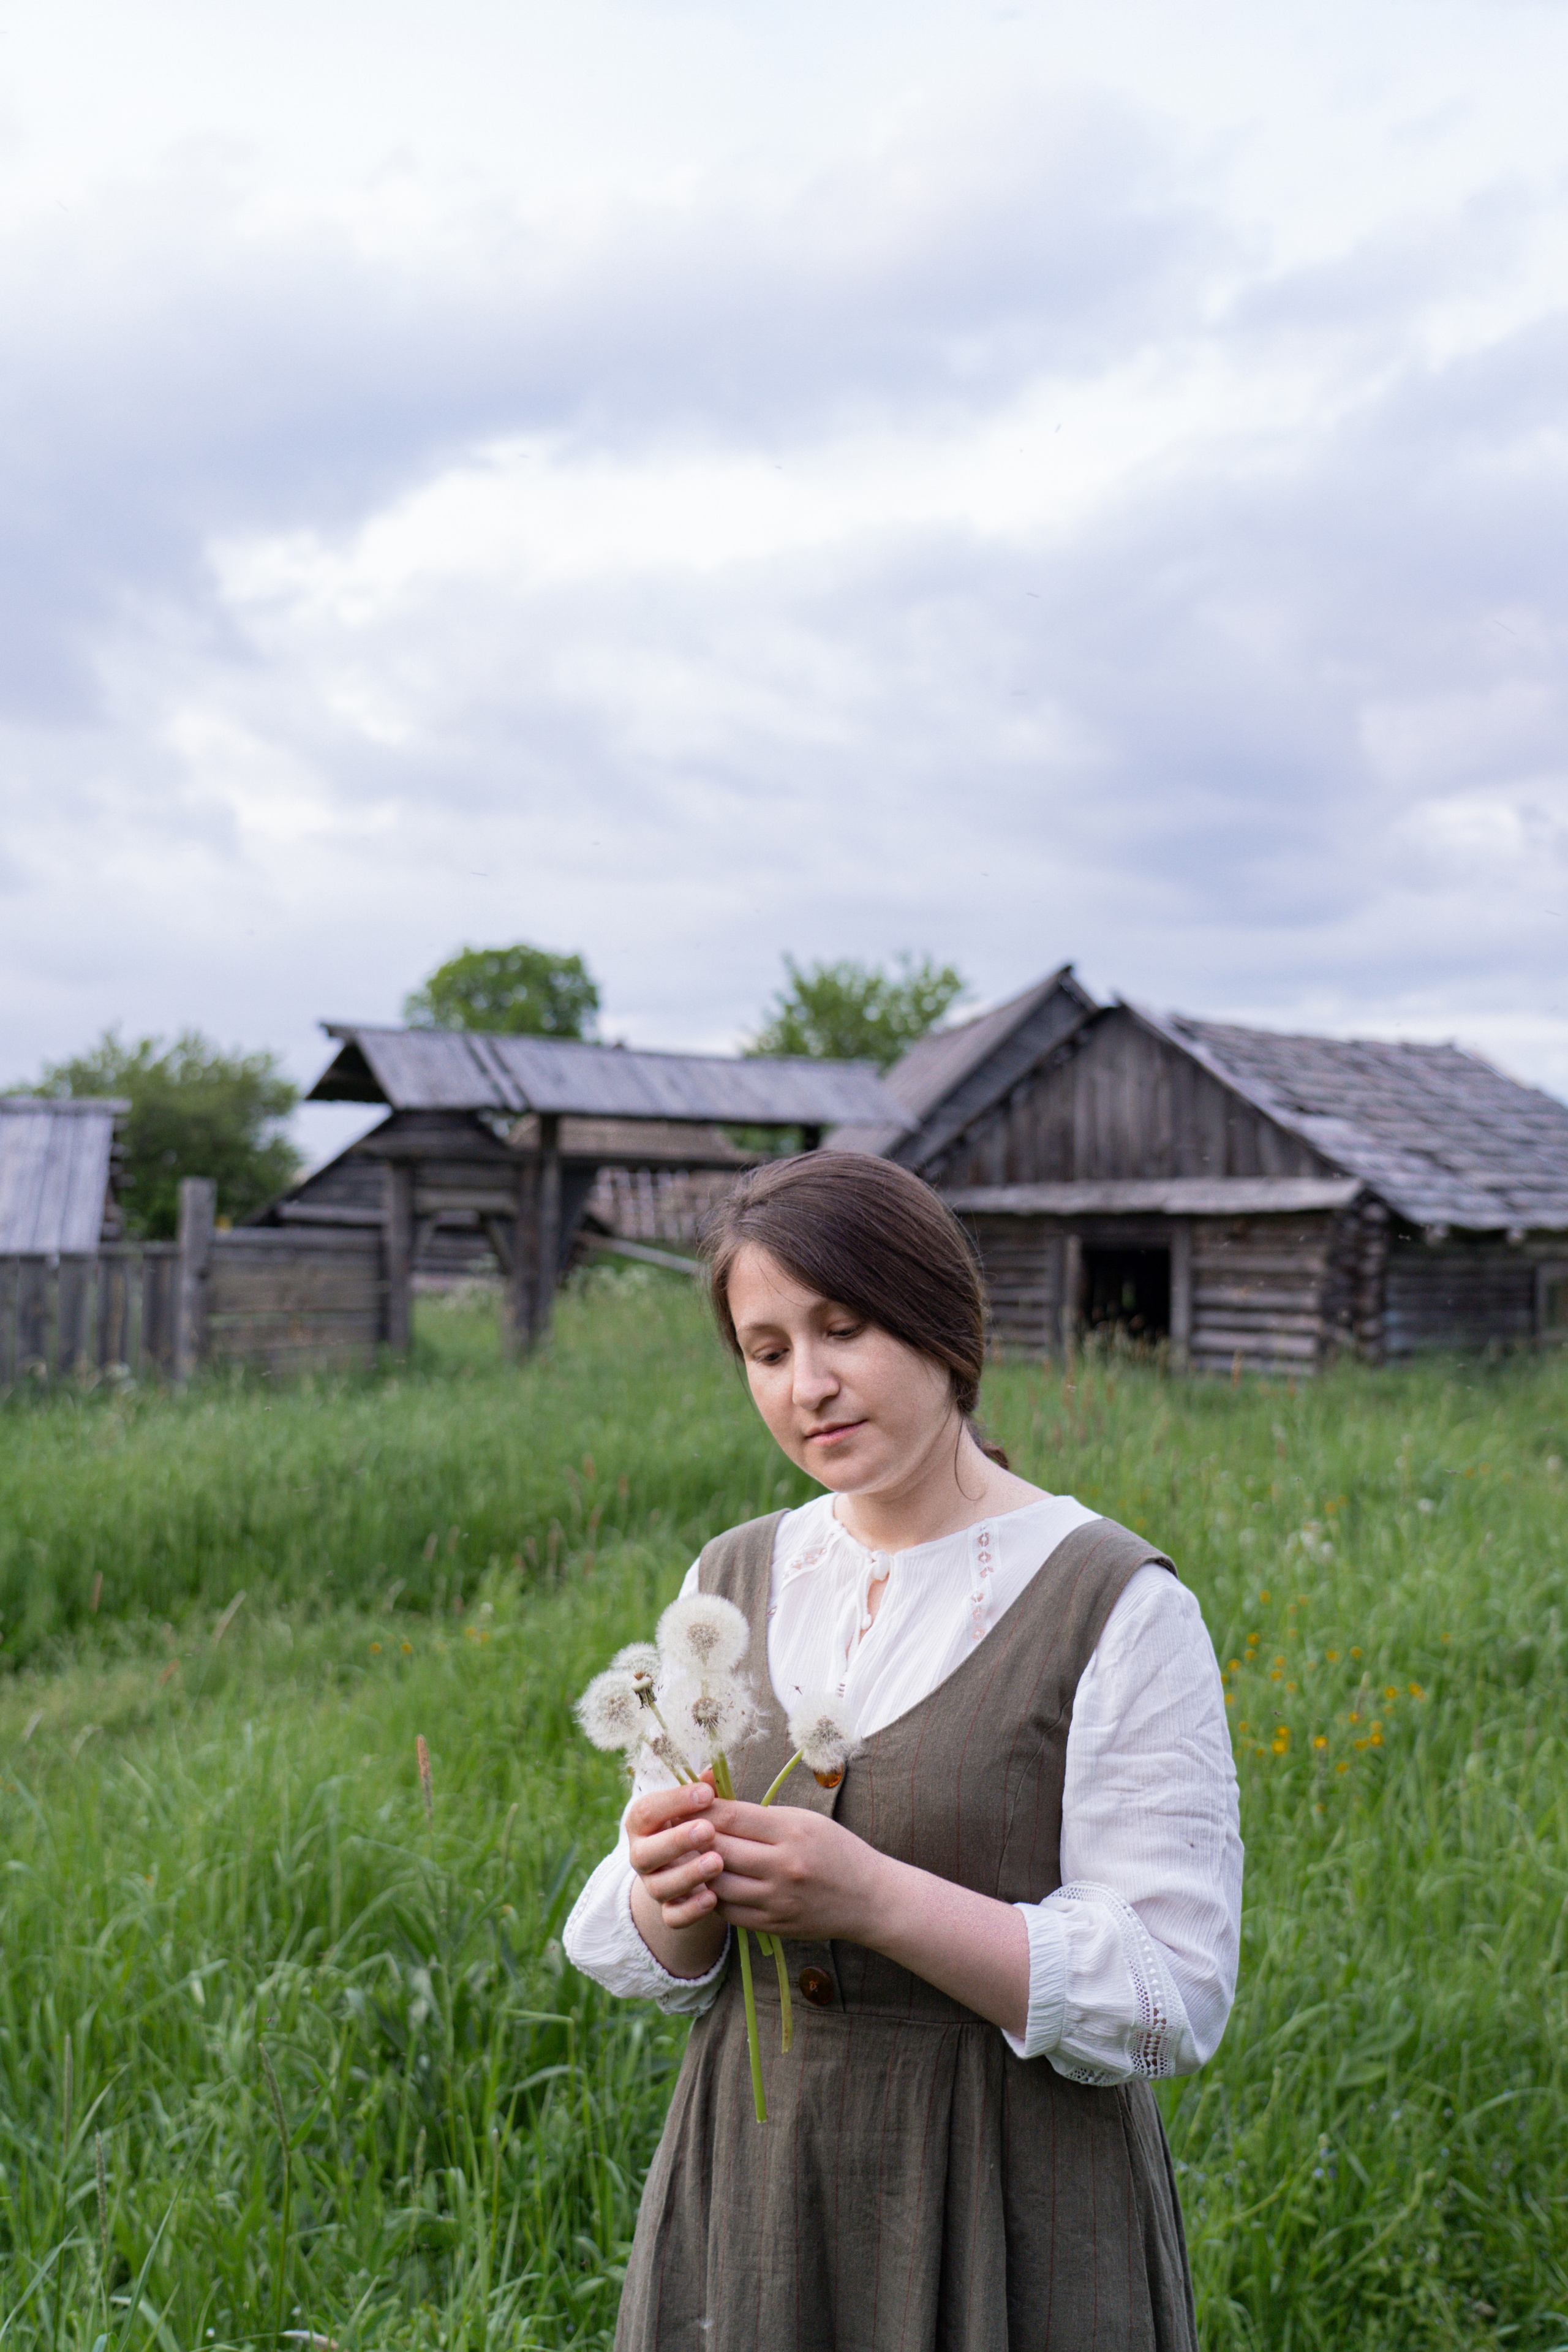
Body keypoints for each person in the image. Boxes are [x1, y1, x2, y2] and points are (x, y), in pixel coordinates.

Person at [564, 1152, 1242, 2351]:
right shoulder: (731, 1576)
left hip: (1008, 2190)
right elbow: (665, 1946)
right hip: (758, 2186)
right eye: (765, 1352)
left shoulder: (1108, 1601)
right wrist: (670, 1887)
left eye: (844, 1328)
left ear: (940, 1320)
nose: (806, 1386)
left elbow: (1168, 1992)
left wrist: (871, 1897)